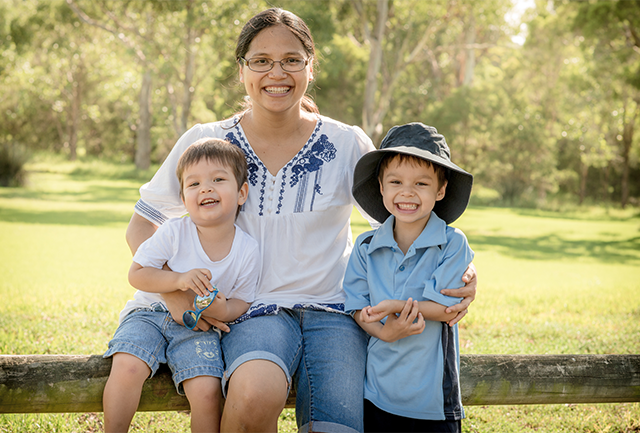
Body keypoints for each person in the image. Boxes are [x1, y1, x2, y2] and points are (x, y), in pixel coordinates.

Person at [125, 8, 477, 433]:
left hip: (336, 311)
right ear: (242, 70)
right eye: (261, 60)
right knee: (254, 396)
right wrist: (176, 293)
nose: (277, 72)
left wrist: (456, 266)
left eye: (292, 59)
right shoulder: (206, 142)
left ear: (310, 67)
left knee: (336, 427)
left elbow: (400, 229)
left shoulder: (347, 143)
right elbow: (143, 224)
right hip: (254, 311)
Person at [103, 138, 260, 433]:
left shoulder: (247, 249)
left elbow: (242, 301)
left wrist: (223, 310)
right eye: (194, 184)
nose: (206, 188)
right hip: (149, 314)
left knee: (206, 390)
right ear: (183, 197)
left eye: (218, 179)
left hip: (197, 326)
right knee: (128, 367)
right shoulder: (174, 232)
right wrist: (177, 280)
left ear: (241, 193)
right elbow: (137, 273)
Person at [344, 123, 474, 433]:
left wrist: (394, 306)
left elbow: (447, 308)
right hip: (375, 395)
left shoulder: (452, 242)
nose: (407, 192)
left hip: (431, 403)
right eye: (396, 181)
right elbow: (357, 306)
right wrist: (384, 331)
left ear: (441, 190)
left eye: (421, 183)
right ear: (381, 186)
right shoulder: (365, 247)